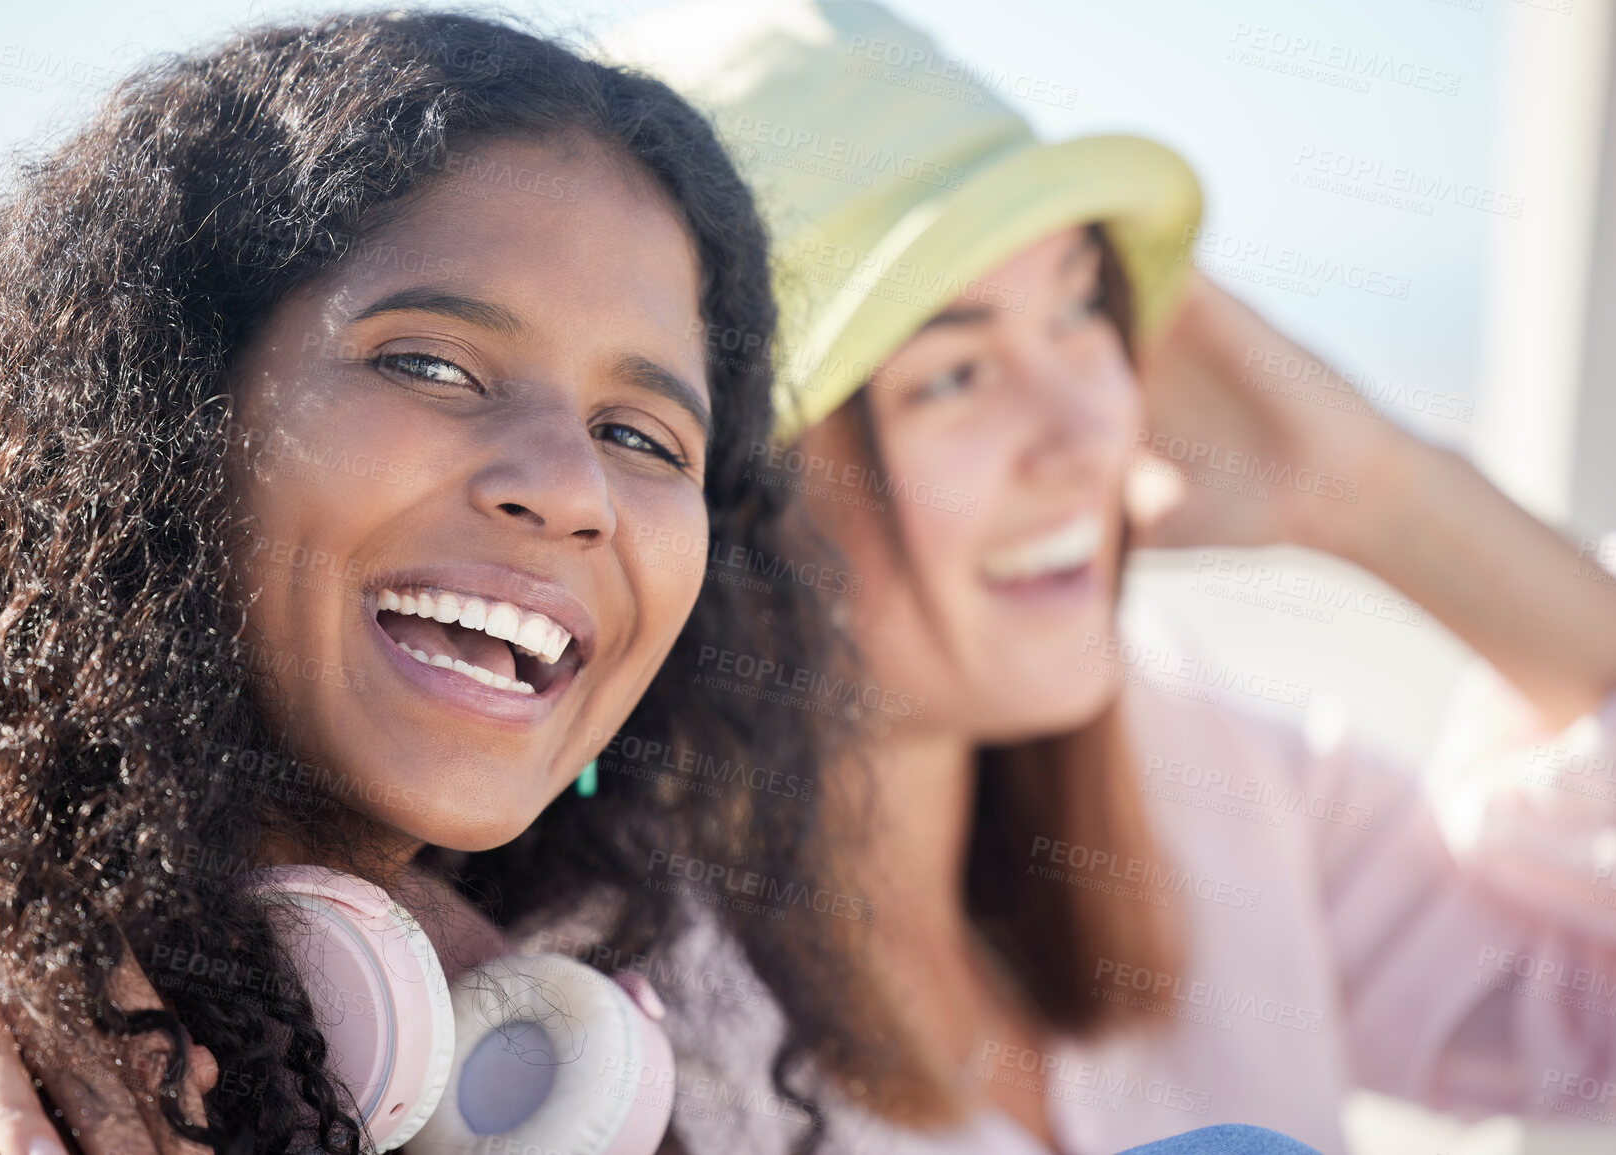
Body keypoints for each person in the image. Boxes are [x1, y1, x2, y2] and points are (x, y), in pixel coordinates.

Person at [607, 2, 1616, 1152]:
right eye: (956, 374)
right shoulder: (608, 1043)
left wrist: (1381, 494)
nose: (1090, 432)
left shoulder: (1205, 782)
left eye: (1083, 308)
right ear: (732, 485)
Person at [0, 12, 862, 1152]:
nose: (572, 489)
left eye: (642, 436)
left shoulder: (506, 1002)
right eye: (432, 364)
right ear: (168, 410)